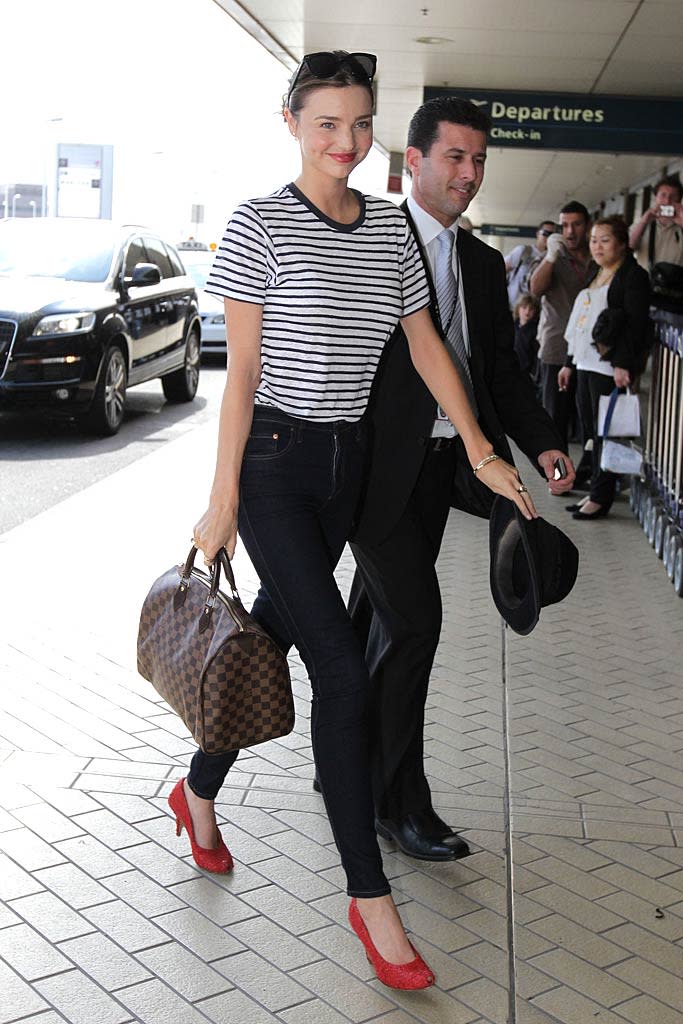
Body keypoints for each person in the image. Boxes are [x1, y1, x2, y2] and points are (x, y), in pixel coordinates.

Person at [177, 53, 534, 991]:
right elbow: (242, 379)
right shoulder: (258, 225)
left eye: (359, 123)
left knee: (264, 638)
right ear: (290, 121)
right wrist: (221, 502)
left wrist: (484, 450)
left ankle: (196, 788)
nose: (345, 141)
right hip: (275, 474)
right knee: (338, 669)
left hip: (345, 475)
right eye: (327, 123)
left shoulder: (387, 232)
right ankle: (369, 899)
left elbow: (425, 348)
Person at [345, 95, 575, 865]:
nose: (469, 174)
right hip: (377, 473)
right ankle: (396, 806)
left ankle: (344, 764)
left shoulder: (479, 263)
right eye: (454, 157)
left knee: (377, 623)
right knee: (412, 625)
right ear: (411, 161)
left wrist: (541, 445)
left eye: (479, 160)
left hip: (449, 464)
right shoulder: (369, 239)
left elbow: (499, 377)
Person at [560, 215, 650, 520]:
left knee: (606, 433)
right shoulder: (597, 273)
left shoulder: (632, 276)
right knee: (590, 431)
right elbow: (583, 324)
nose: (597, 246)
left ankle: (601, 496)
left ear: (623, 244)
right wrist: (569, 364)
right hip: (586, 364)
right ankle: (597, 490)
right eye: (594, 240)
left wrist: (624, 364)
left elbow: (636, 325)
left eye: (605, 240)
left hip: (608, 368)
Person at [530, 201, 592, 455]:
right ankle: (558, 476)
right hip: (557, 348)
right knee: (556, 418)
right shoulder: (554, 257)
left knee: (589, 418)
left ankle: (590, 474)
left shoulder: (596, 255)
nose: (570, 231)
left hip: (591, 350)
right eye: (564, 225)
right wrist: (551, 256)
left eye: (576, 224)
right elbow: (535, 290)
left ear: (586, 226)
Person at [629, 175, 683, 271]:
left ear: (679, 200)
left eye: (673, 196)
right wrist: (644, 221)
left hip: (677, 284)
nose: (667, 201)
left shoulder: (681, 226)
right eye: (663, 195)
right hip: (645, 283)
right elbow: (628, 247)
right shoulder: (642, 224)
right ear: (655, 197)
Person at [505, 220, 555, 309]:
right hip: (513, 306)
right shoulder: (524, 251)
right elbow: (500, 270)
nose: (549, 238)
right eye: (546, 233)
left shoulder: (552, 259)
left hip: (535, 310)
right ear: (537, 234)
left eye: (552, 235)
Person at [513, 292, 540, 383]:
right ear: (518, 309)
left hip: (527, 372)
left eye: (531, 309)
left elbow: (536, 355)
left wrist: (533, 373)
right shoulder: (513, 326)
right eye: (524, 308)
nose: (527, 312)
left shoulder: (535, 330)